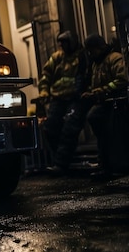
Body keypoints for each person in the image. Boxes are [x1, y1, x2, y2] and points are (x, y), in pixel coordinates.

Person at [37, 30, 89, 176]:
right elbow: (46, 75)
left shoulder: (81, 56)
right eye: (61, 44)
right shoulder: (57, 57)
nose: (62, 47)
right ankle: (61, 158)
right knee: (50, 127)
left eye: (65, 43)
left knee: (69, 128)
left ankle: (61, 163)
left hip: (75, 98)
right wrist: (44, 92)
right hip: (58, 99)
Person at [82, 33, 129, 179]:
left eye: (92, 50)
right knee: (103, 135)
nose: (90, 54)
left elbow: (121, 79)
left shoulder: (114, 58)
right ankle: (106, 165)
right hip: (104, 103)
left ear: (100, 47)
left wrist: (99, 91)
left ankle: (116, 165)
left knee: (113, 135)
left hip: (116, 103)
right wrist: (93, 93)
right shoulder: (97, 63)